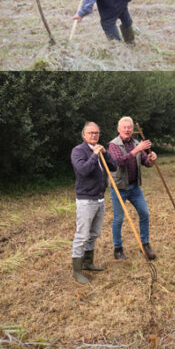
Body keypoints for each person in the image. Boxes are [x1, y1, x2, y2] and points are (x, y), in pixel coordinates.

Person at [71, 121, 117, 284]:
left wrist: (105, 154)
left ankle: (88, 262)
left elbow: (113, 167)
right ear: (84, 135)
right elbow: (83, 170)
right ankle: (77, 271)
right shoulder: (78, 151)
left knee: (94, 233)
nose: (94, 136)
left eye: (96, 133)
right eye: (90, 133)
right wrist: (94, 155)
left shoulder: (100, 150)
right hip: (86, 200)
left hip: (99, 198)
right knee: (82, 235)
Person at [107, 116, 158, 261]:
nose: (127, 130)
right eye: (124, 127)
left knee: (145, 214)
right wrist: (137, 150)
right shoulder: (113, 145)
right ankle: (118, 249)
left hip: (134, 187)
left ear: (133, 130)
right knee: (118, 219)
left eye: (129, 127)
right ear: (119, 129)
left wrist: (152, 159)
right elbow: (118, 163)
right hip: (119, 188)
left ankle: (146, 244)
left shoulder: (136, 143)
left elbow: (145, 162)